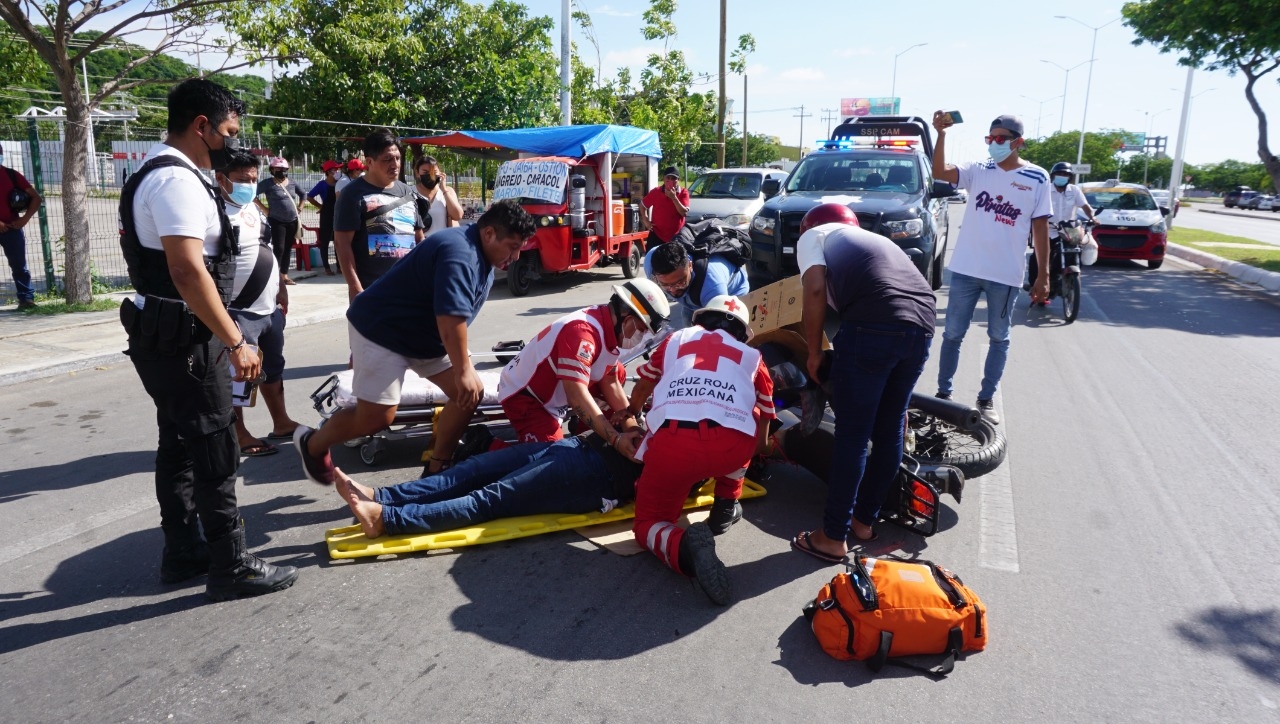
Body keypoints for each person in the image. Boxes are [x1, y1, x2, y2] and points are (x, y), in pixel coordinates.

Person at [117, 78, 298, 600]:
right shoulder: (176, 181)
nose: (230, 140)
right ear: (202, 126)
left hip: (164, 334)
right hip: (189, 341)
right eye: (228, 130)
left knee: (177, 444)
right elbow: (186, 269)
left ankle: (184, 550)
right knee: (217, 447)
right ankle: (229, 564)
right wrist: (236, 341)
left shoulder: (152, 173)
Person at [294, 199, 537, 485]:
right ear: (489, 234)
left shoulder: (483, 254)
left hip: (424, 336)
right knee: (378, 417)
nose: (517, 256)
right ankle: (312, 443)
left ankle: (437, 469)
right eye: (512, 246)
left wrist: (464, 375)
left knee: (468, 395)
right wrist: (463, 370)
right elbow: (450, 318)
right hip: (382, 331)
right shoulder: (460, 252)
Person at [789, 203, 935, 563]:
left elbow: (815, 290)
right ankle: (863, 521)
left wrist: (813, 352)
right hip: (923, 320)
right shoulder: (874, 239)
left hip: (874, 321)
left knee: (853, 435)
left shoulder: (814, 237)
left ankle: (832, 537)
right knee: (889, 430)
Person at [624, 296, 776, 605]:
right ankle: (725, 506)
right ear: (741, 332)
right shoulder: (752, 356)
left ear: (701, 320)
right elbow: (766, 415)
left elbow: (642, 388)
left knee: (648, 524)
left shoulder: (675, 340)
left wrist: (630, 413)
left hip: (673, 448)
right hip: (730, 448)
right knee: (749, 417)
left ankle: (684, 548)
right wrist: (756, 449)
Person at [931, 112, 1051, 424]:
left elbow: (1040, 229)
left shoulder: (1038, 178)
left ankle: (985, 399)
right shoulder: (978, 170)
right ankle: (944, 395)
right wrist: (941, 134)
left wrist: (1043, 274)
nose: (995, 144)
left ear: (1018, 142)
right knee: (953, 334)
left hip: (1005, 275)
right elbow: (940, 171)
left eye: (1001, 139)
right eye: (990, 138)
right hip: (966, 270)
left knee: (999, 337)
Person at [337, 431, 643, 538]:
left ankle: (385, 520)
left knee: (487, 498)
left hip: (595, 473)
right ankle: (382, 495)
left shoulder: (690, 449)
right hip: (578, 445)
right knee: (472, 469)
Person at [497, 279, 670, 445]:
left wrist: (630, 425)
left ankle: (585, 432)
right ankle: (486, 444)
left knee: (618, 371)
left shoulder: (606, 326)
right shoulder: (582, 334)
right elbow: (576, 396)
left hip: (554, 389)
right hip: (526, 397)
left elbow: (610, 381)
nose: (640, 338)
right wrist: (615, 440)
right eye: (641, 330)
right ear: (627, 317)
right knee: (553, 459)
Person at [216, 150, 302, 456]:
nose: (249, 185)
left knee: (273, 367)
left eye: (253, 179)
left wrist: (280, 287)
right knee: (239, 375)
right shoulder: (214, 213)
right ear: (221, 179)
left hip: (269, 307)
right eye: (242, 180)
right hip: (238, 310)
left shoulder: (252, 209)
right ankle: (238, 432)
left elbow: (268, 249)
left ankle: (281, 421)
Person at [332, 130, 426, 301]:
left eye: (397, 158)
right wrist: (355, 288)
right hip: (373, 292)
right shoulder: (352, 194)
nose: (395, 164)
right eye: (387, 159)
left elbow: (419, 238)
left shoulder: (406, 191)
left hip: (410, 289)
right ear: (369, 162)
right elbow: (342, 243)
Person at [645, 235, 748, 329]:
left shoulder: (712, 287)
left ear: (690, 266)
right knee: (687, 321)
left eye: (680, 283)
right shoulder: (650, 263)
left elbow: (718, 332)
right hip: (693, 296)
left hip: (733, 294)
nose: (673, 291)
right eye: (665, 285)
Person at [1028, 161, 1097, 300]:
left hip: (1070, 229)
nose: (1062, 176)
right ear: (1053, 175)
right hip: (1049, 229)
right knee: (1039, 257)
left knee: (1076, 251)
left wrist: (1093, 217)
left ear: (1069, 177)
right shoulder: (1045, 189)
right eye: (1059, 174)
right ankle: (1033, 285)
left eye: (1065, 174)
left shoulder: (1075, 190)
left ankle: (1070, 276)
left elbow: (1085, 206)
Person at [0, 152, 43, 310]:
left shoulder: (11, 175)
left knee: (19, 266)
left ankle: (26, 299)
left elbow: (36, 198)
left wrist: (24, 219)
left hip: (12, 229)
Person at [256, 156, 304, 282]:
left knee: (288, 248)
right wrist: (264, 209)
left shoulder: (292, 183)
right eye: (277, 168)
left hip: (292, 220)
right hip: (277, 220)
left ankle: (284, 275)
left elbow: (303, 194)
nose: (281, 171)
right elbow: (253, 194)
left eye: (283, 168)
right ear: (272, 170)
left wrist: (300, 207)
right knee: (279, 248)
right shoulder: (267, 183)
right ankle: (275, 275)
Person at [412, 155, 463, 236]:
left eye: (434, 172)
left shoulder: (447, 191)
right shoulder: (410, 192)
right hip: (418, 244)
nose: (430, 176)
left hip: (441, 244)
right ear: (417, 173)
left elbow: (458, 215)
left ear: (440, 173)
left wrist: (444, 190)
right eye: (425, 172)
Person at [306, 160, 343, 275]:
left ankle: (339, 266)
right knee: (325, 242)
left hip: (338, 214)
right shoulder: (322, 185)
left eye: (338, 169)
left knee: (338, 241)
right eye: (335, 169)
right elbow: (309, 196)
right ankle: (327, 268)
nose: (337, 171)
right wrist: (320, 206)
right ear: (328, 172)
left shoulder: (340, 183)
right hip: (326, 215)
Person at [640, 166, 689, 247]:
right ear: (664, 179)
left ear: (678, 180)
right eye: (668, 178)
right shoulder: (656, 192)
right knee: (652, 258)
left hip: (676, 235)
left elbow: (684, 213)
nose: (671, 181)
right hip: (657, 234)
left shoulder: (683, 192)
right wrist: (646, 221)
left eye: (674, 178)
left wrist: (674, 198)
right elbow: (642, 205)